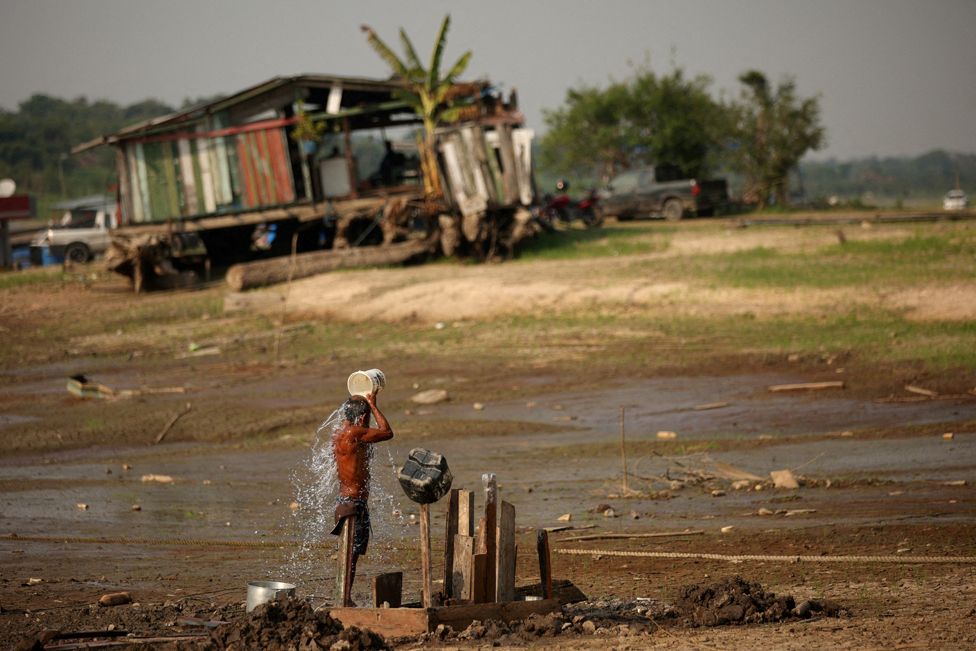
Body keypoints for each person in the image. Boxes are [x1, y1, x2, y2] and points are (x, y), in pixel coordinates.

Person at [329, 391, 394, 602]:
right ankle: (344, 598)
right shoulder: (354, 433)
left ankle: (344, 596)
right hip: (354, 503)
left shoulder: (340, 433)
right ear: (362, 417)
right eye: (366, 416)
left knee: (350, 554)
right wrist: (374, 405)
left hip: (346, 501)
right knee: (351, 556)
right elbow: (387, 432)